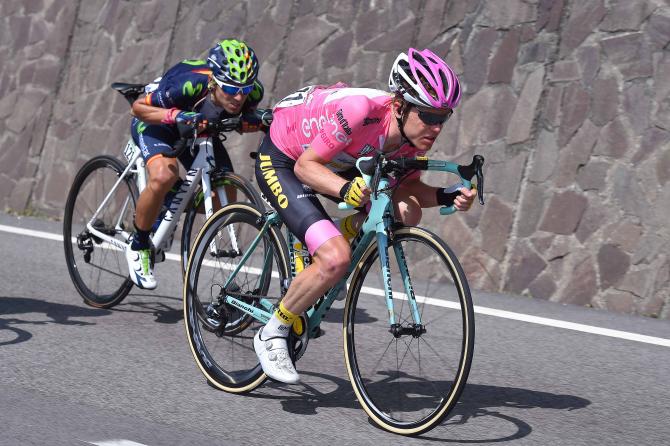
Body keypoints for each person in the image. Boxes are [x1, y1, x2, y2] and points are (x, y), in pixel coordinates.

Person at [252, 48, 477, 383]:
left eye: (443, 117)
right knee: (334, 259)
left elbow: (407, 191)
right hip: (288, 156)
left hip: (337, 163)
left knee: (405, 212)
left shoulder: (413, 138)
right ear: (399, 106)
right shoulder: (359, 112)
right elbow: (306, 167)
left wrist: (449, 194)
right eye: (429, 116)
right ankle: (272, 332)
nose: (437, 127)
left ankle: (330, 245)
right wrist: (344, 191)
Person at [125, 39, 266, 289]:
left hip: (199, 130)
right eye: (231, 89)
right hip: (158, 122)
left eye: (244, 90)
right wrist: (177, 115)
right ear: (214, 81)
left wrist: (257, 121)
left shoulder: (251, 92)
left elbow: (248, 116)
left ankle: (168, 206)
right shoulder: (188, 85)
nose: (238, 97)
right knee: (164, 176)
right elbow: (137, 109)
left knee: (225, 196)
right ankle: (139, 245)